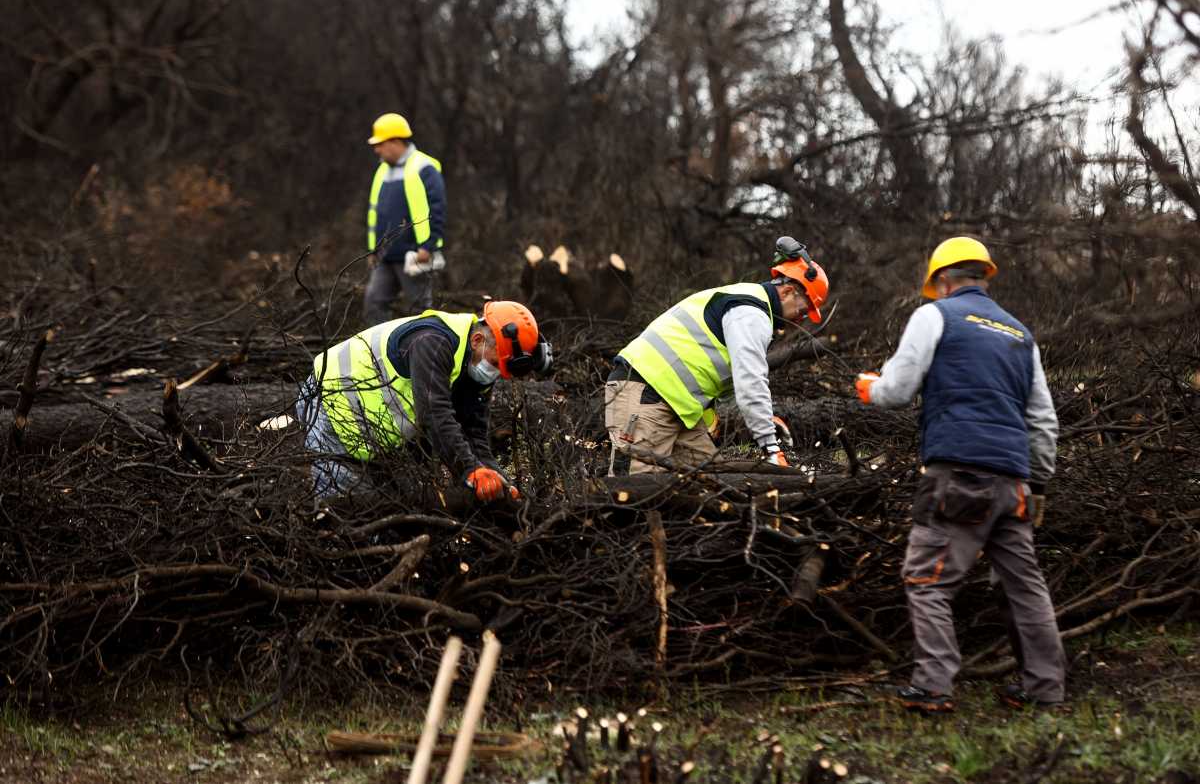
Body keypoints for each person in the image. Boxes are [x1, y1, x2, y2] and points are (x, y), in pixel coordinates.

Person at [855, 236, 1064, 713]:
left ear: (942, 281)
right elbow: (1044, 420)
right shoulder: (1020, 334)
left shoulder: (935, 316)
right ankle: (1045, 688)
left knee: (926, 578)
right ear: (983, 276)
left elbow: (898, 390)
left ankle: (932, 686)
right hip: (1014, 483)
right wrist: (1038, 484)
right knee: (1025, 587)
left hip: (958, 476)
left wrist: (872, 388)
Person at [604, 237, 829, 474]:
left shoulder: (749, 306)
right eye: (803, 311)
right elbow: (750, 381)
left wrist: (762, 418)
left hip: (678, 407)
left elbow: (712, 368)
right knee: (635, 490)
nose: (799, 320)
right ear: (787, 292)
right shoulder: (752, 313)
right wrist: (771, 447)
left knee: (712, 482)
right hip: (646, 393)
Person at [297, 301, 551, 503]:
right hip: (329, 404)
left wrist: (496, 478)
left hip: (374, 435)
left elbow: (473, 430)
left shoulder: (473, 360)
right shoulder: (433, 342)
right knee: (349, 509)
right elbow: (434, 413)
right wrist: (470, 470)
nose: (493, 373)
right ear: (478, 340)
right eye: (495, 364)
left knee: (396, 509)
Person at [363, 112, 447, 324]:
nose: (376, 149)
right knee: (373, 303)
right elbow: (375, 213)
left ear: (395, 141)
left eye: (380, 144)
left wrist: (428, 246)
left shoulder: (424, 167)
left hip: (415, 255)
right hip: (385, 256)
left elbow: (437, 209)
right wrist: (373, 250)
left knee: (420, 311)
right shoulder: (382, 171)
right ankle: (379, 353)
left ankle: (423, 352)